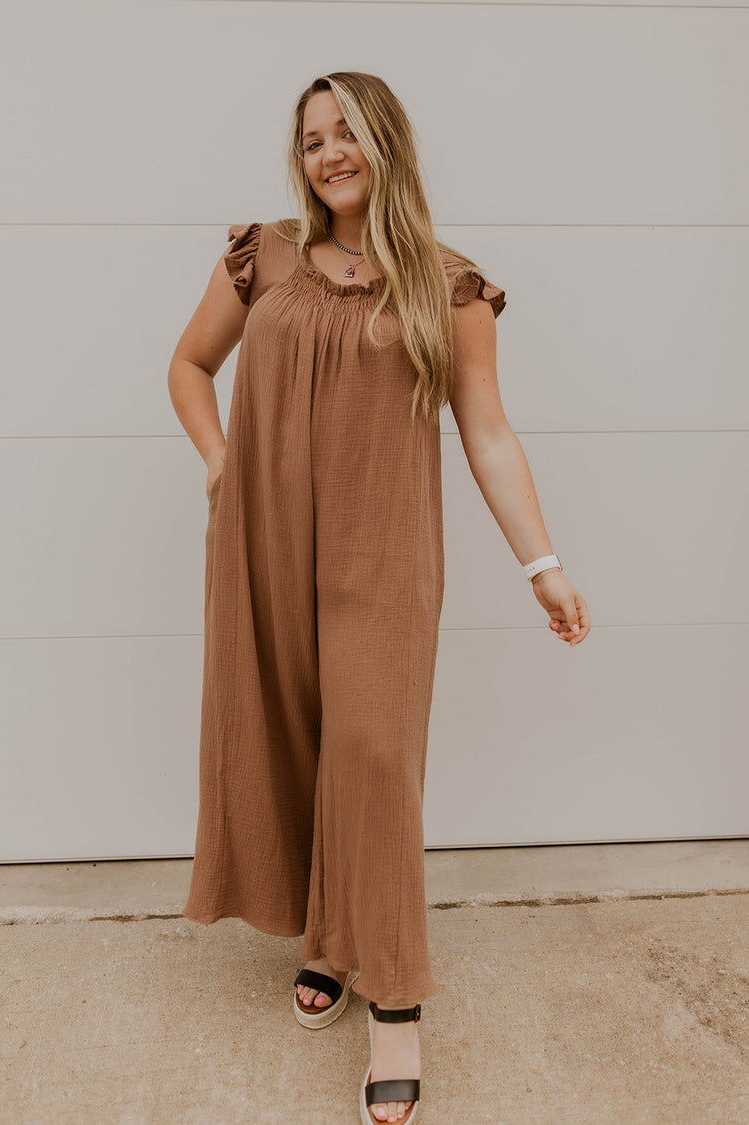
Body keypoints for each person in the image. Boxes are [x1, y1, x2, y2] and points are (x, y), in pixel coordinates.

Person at [167, 70, 590, 1125]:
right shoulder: (262, 256)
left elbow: (487, 431)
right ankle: (326, 942)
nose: (330, 154)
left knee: (372, 755)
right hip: (263, 544)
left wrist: (542, 564)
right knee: (289, 737)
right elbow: (188, 365)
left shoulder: (448, 287)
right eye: (312, 139)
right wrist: (220, 462)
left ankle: (394, 998)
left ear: (386, 142)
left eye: (347, 131)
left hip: (383, 555)